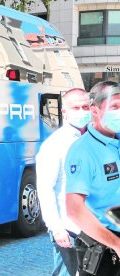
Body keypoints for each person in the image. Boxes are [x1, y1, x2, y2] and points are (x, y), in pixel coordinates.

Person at [65, 81, 120, 275]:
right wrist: (117, 244)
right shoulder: (83, 151)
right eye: (114, 107)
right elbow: (74, 210)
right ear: (95, 110)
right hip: (104, 248)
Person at [36, 88, 90, 276]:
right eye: (76, 107)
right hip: (69, 228)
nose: (82, 111)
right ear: (64, 112)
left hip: (96, 227)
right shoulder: (54, 145)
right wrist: (57, 228)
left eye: (86, 106)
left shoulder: (97, 139)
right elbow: (45, 188)